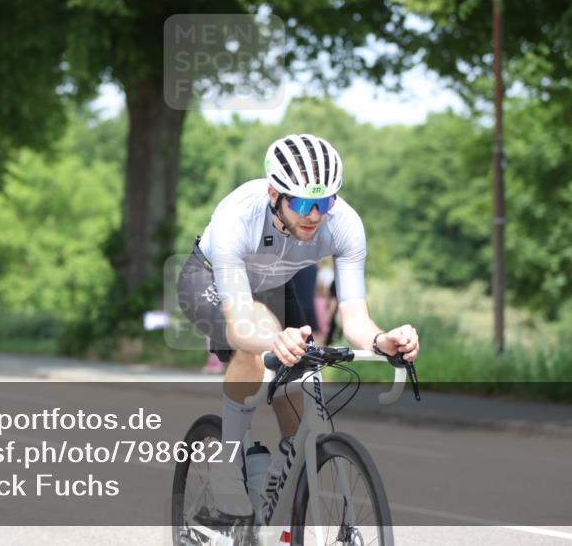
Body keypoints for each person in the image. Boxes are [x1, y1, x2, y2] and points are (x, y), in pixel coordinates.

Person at [177, 133, 420, 519]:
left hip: (273, 286)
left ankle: (278, 493)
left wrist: (381, 339)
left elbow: (354, 317)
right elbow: (241, 323)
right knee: (255, 345)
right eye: (304, 203)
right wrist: (273, 338)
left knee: (298, 394)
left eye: (324, 202)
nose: (315, 215)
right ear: (274, 194)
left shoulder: (345, 224)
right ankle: (227, 466)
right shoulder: (237, 218)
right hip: (209, 282)